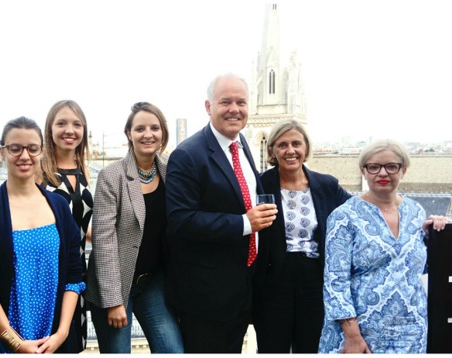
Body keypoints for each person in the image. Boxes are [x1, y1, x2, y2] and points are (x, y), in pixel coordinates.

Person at [165, 73, 278, 353]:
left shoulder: (242, 145)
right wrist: (243, 223)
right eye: (225, 101)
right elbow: (180, 220)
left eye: (241, 102)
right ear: (208, 107)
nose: (234, 109)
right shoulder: (188, 154)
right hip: (205, 296)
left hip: (241, 287)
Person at [0, 117, 85, 353]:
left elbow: (73, 275)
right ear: (2, 152)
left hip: (54, 342)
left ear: (42, 151)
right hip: (3, 342)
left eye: (32, 148)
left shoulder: (58, 206)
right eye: (15, 148)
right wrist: (15, 343)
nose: (24, 156)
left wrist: (62, 333)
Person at [318, 139, 449, 354]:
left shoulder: (416, 212)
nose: (382, 173)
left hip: (411, 331)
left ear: (403, 170)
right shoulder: (344, 216)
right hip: (361, 332)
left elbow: (417, 269)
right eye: (374, 167)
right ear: (363, 171)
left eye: (391, 166)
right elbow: (335, 281)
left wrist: (432, 238)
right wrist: (352, 336)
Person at [85, 102, 183, 353]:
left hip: (152, 282)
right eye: (140, 128)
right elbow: (103, 242)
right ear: (129, 134)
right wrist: (114, 301)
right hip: (116, 286)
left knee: (173, 350)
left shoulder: (171, 172)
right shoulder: (112, 176)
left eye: (155, 128)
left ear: (163, 133)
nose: (148, 134)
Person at [252, 119, 351, 353]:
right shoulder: (259, 184)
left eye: (296, 143)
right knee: (271, 347)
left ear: (306, 148)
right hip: (273, 282)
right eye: (282, 144)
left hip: (314, 280)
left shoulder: (326, 185)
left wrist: (419, 220)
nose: (290, 150)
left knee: (310, 347)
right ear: (272, 151)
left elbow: (361, 212)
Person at [39, 100, 93, 353]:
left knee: (72, 342)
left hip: (77, 271)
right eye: (61, 123)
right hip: (46, 272)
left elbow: (83, 228)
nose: (69, 130)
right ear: (49, 128)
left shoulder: (84, 170)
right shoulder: (39, 171)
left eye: (76, 124)